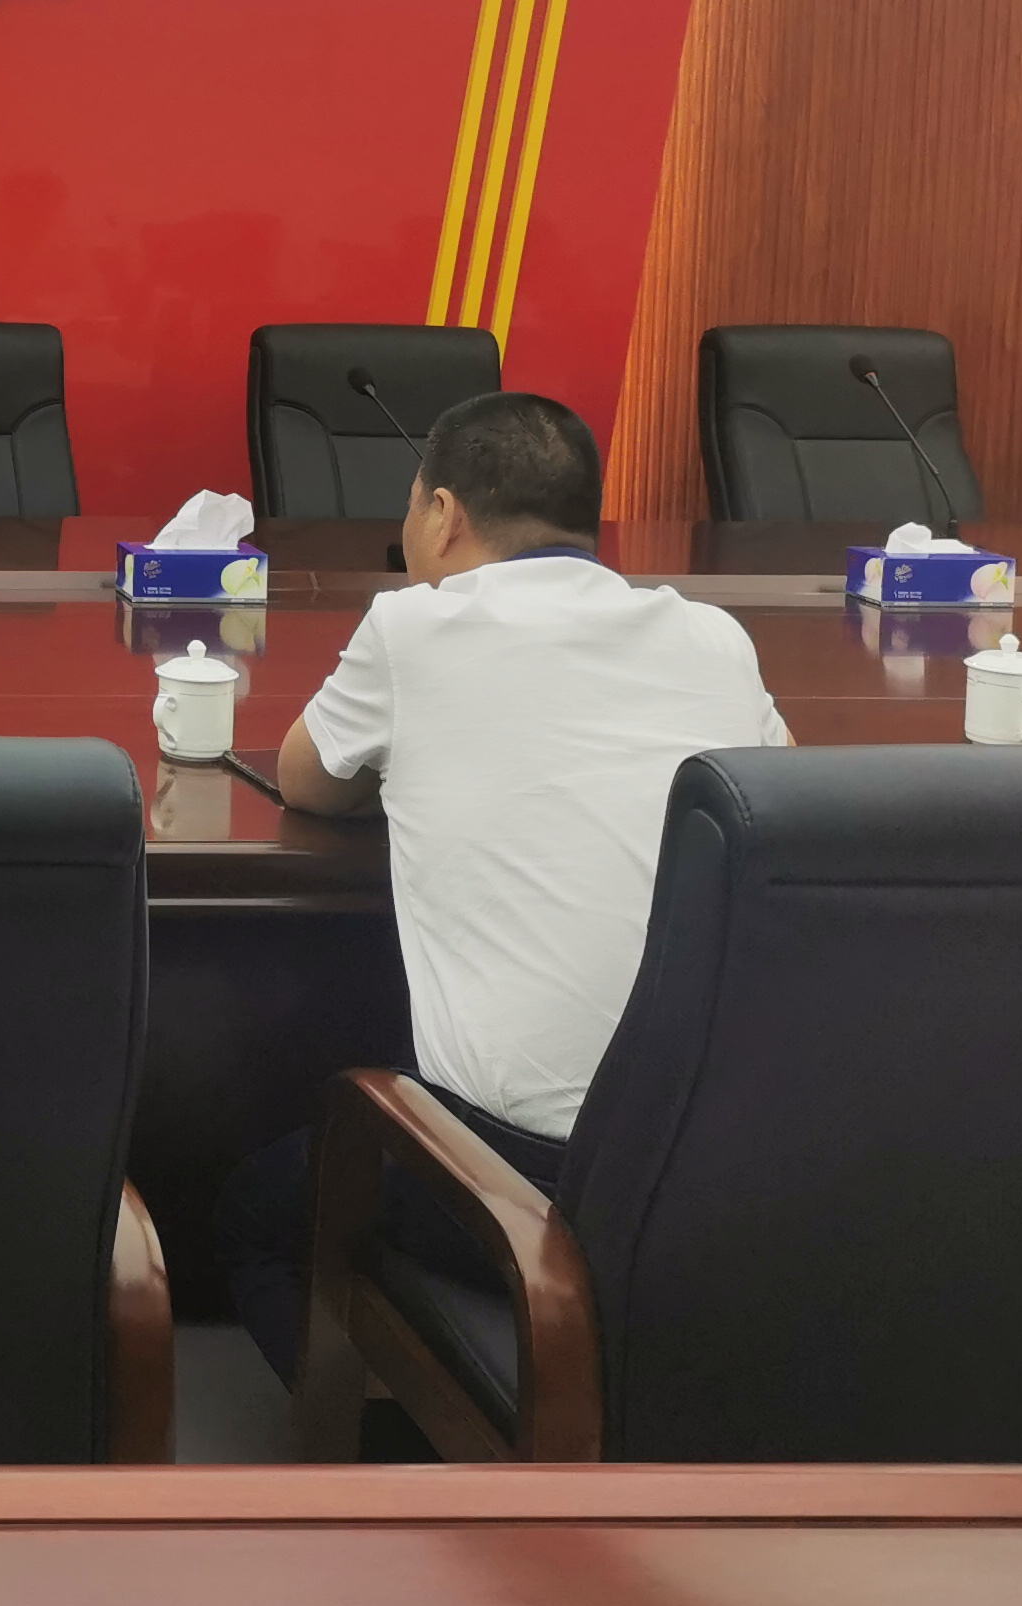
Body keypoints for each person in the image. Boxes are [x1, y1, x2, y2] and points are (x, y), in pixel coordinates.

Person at [218, 392, 790, 1389]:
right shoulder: (714, 639)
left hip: (520, 1184)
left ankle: (385, 1463)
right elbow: (776, 801)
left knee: (254, 1217)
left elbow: (307, 779)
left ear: (442, 514)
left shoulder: (414, 627)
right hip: (710, 1166)